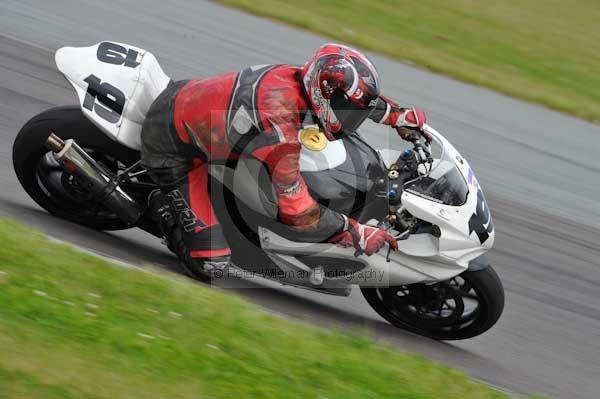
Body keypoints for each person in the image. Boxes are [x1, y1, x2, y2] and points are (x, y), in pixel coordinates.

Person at [141, 43, 428, 279]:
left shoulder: (300, 78)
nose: (351, 118)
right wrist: (355, 231)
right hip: (171, 146)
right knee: (212, 265)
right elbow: (297, 212)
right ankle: (162, 206)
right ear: (322, 94)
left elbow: (358, 98)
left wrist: (397, 116)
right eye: (346, 110)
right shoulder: (278, 129)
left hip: (198, 107)